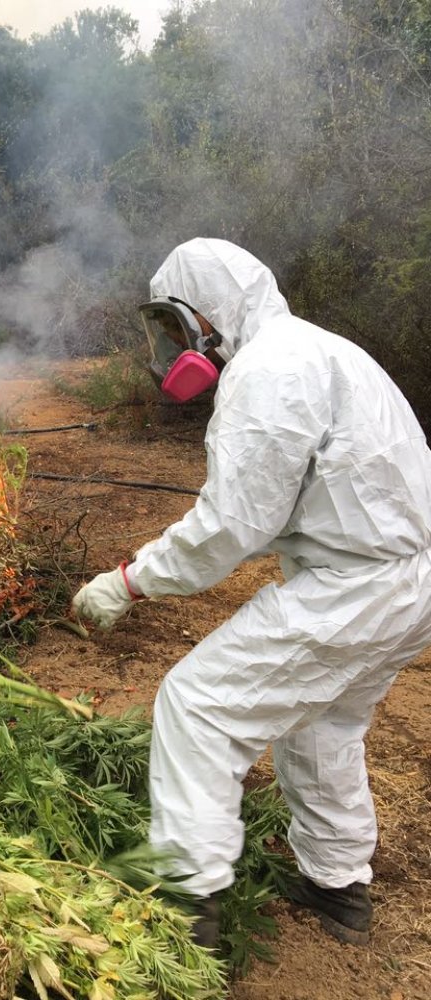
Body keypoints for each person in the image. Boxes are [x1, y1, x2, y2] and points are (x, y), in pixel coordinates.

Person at [72, 237, 431, 949]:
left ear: (209, 313)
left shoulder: (268, 372)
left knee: (197, 706)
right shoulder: (315, 350)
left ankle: (186, 909)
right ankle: (338, 887)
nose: (172, 348)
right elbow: (299, 499)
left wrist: (128, 582)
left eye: (176, 329)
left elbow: (231, 526)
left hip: (355, 590)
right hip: (409, 585)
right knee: (322, 724)